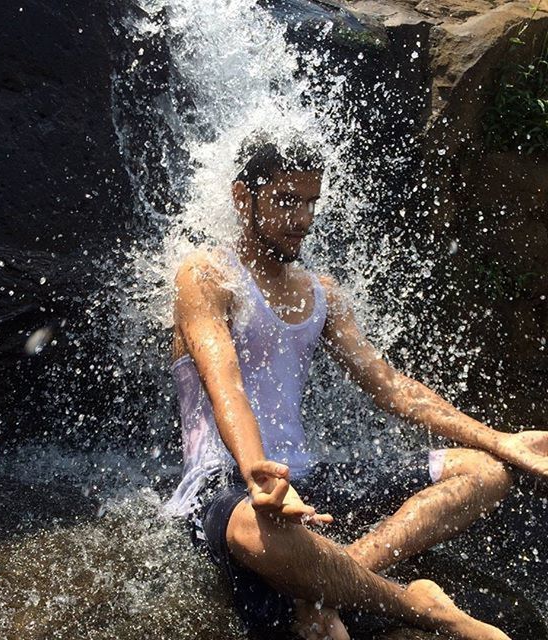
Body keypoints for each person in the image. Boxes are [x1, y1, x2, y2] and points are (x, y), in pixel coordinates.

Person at [165, 131, 548, 640]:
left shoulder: (321, 293)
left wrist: (499, 439)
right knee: (255, 534)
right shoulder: (208, 276)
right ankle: (420, 608)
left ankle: (326, 583)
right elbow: (225, 384)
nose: (302, 219)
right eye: (285, 201)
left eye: (310, 203)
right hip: (226, 481)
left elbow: (391, 387)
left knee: (483, 472)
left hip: (304, 479)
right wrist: (258, 475)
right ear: (242, 197)